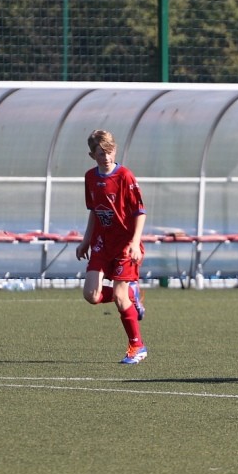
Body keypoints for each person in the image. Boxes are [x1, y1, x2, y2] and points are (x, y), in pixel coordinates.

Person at [75, 129, 149, 365]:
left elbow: (140, 212)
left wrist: (135, 242)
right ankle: (131, 293)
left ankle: (137, 346)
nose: (105, 156)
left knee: (117, 296)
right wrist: (86, 239)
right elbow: (95, 212)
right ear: (91, 155)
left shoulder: (125, 176)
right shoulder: (90, 178)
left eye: (108, 152)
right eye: (100, 153)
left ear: (114, 150)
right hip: (100, 243)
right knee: (91, 295)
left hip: (125, 245)